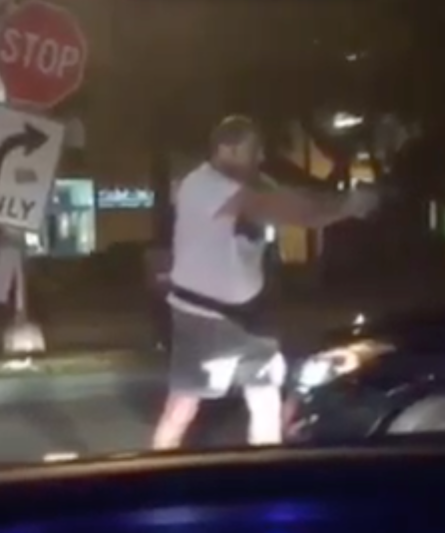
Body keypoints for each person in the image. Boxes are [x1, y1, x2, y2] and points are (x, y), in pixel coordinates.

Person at [152, 115, 378, 450]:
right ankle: (156, 468)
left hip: (253, 316)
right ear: (226, 149)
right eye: (253, 150)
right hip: (203, 318)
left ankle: (264, 466)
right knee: (182, 408)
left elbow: (296, 198)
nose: (260, 157)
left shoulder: (252, 183)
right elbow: (296, 211)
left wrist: (340, 202)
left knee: (266, 401)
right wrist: (350, 205)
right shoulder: (205, 187)